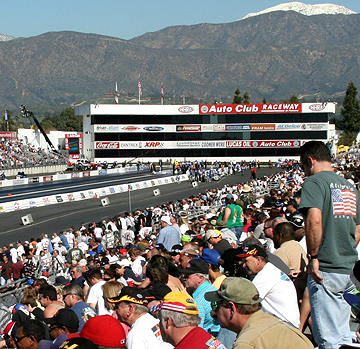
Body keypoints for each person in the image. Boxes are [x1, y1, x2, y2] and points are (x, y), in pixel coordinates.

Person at [298, 140, 360, 349]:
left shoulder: (314, 183)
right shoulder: (349, 186)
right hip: (348, 267)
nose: (304, 172)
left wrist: (314, 257)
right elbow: (357, 229)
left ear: (310, 161)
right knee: (343, 336)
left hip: (326, 268)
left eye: (303, 167)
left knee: (328, 339)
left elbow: (314, 219)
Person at [204, 277, 314, 349]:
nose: (214, 312)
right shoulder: (275, 324)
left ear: (232, 308)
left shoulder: (247, 343)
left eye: (216, 306)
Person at [237, 244, 300, 327]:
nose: (244, 265)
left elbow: (245, 300)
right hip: (283, 324)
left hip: (283, 326)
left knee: (237, 315)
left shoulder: (266, 274)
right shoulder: (270, 270)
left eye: (246, 261)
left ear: (258, 259)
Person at [107, 286, 172, 349]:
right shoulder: (156, 321)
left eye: (117, 307)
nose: (115, 311)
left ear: (130, 309)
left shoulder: (135, 335)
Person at [158, 291, 226, 349]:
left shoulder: (189, 345)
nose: (159, 324)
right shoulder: (206, 338)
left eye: (160, 320)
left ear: (168, 321)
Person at [180, 259, 220, 336]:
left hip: (209, 339)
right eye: (184, 275)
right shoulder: (213, 289)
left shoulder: (198, 300)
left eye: (187, 275)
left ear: (200, 278)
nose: (184, 278)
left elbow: (196, 330)